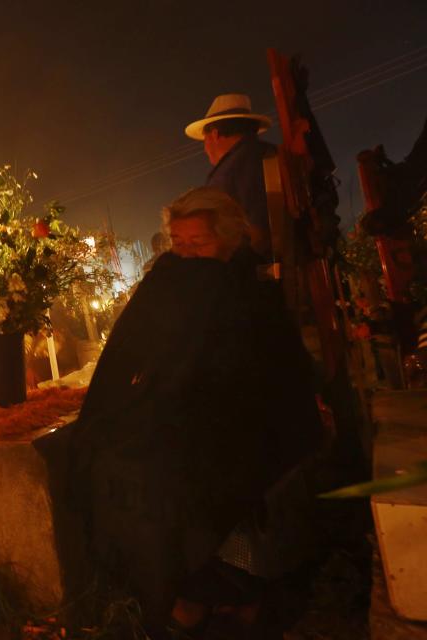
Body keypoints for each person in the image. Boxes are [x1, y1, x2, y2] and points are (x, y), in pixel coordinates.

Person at [36, 187, 323, 639]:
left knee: (203, 474)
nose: (187, 253)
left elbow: (274, 370)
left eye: (199, 243)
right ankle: (179, 593)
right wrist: (106, 408)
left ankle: (238, 590)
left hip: (237, 418)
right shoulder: (166, 278)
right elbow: (126, 349)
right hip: (168, 411)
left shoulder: (250, 289)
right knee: (116, 459)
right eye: (179, 242)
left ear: (228, 241)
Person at [185, 94, 275, 256]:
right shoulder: (270, 153)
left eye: (204, 140)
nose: (205, 149)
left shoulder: (227, 173)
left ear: (215, 134)